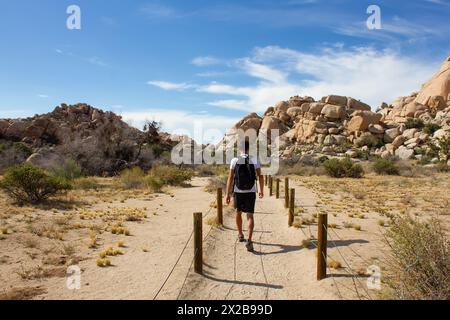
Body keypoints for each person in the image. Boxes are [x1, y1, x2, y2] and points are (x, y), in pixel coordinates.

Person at [225, 140, 264, 252]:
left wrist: (227, 194)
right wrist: (261, 190)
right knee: (250, 216)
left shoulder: (234, 160)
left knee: (238, 213)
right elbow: (260, 176)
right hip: (251, 191)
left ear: (239, 148)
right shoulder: (254, 159)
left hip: (238, 191)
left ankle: (241, 234)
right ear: (248, 148)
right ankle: (249, 240)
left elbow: (230, 178)